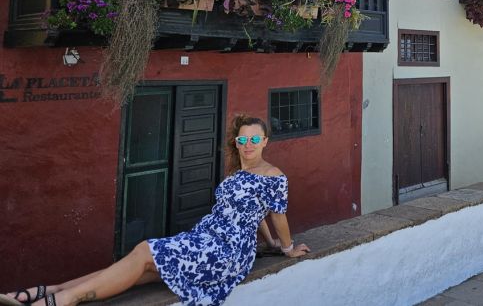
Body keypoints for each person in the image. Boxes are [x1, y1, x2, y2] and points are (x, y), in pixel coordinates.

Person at [2, 115, 310, 306]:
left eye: (255, 139)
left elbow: (276, 213)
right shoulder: (234, 174)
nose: (248, 144)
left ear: (265, 141)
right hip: (205, 238)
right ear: (237, 141)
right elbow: (255, 214)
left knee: (143, 252)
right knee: (139, 269)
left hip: (225, 253)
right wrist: (267, 243)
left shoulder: (273, 175)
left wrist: (286, 248)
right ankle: (50, 291)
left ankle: (64, 299)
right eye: (243, 139)